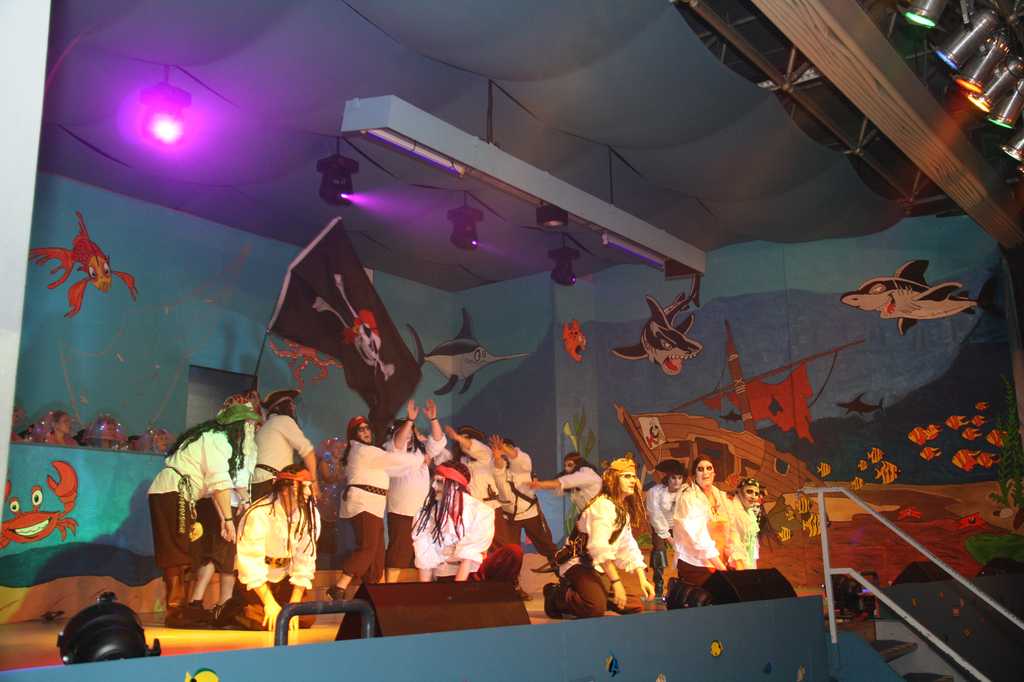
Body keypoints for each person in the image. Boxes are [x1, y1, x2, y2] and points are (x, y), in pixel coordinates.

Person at [146, 403, 260, 627]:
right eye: (247, 424)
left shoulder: (210, 437)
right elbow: (220, 483)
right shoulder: (217, 439)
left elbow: (215, 488)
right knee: (178, 551)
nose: (251, 428)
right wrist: (228, 520)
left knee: (178, 550)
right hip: (176, 491)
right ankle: (177, 611)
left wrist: (224, 518)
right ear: (237, 425)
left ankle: (179, 609)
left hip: (171, 491)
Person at [329, 409, 431, 600]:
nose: (366, 432)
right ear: (354, 435)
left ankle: (374, 593)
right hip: (364, 504)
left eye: (367, 428)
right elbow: (395, 459)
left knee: (376, 554)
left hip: (372, 506)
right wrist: (419, 459)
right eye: (360, 430)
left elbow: (394, 469)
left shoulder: (369, 453)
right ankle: (339, 586)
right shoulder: (364, 451)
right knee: (368, 548)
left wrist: (416, 462)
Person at [543, 458, 655, 619]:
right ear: (614, 479)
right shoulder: (602, 506)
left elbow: (628, 545)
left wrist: (642, 578)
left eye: (633, 476)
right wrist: (616, 583)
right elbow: (599, 548)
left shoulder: (621, 510)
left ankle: (600, 596)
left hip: (598, 566)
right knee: (594, 608)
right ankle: (556, 595)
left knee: (634, 606)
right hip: (579, 563)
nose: (632, 480)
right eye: (626, 476)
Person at [216, 464, 320, 631]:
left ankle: (278, 608)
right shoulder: (259, 514)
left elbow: (305, 559)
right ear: (284, 490)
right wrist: (269, 602)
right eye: (302, 487)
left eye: (309, 486)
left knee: (306, 618)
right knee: (263, 622)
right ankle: (236, 609)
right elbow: (250, 563)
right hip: (259, 579)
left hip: (284, 577)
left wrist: (294, 605)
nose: (308, 492)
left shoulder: (310, 515)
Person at [412, 461, 522, 582]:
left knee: (513, 552)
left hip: (472, 571)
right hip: (444, 574)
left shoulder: (482, 512)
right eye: (434, 481)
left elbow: (468, 557)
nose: (433, 486)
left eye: (439, 481)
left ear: (455, 485)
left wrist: (459, 590)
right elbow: (425, 557)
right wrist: (425, 590)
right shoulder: (426, 514)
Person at [384, 399, 448, 583]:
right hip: (402, 510)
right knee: (399, 551)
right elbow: (399, 442)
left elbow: (438, 442)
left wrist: (433, 419)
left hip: (422, 512)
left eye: (412, 432)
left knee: (422, 552)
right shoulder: (392, 450)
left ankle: (417, 590)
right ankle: (389, 590)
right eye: (406, 432)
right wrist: (410, 421)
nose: (409, 435)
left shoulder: (421, 452)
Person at [490, 435, 559, 578]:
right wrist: (497, 457)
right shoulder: (497, 466)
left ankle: (563, 575)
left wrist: (504, 448)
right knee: (510, 552)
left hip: (530, 514)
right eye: (499, 449)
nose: (503, 452)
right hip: (509, 517)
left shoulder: (523, 464)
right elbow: (498, 469)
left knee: (548, 547)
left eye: (506, 449)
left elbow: (517, 458)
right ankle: (512, 583)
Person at [670, 455, 741, 591]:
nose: (705, 472)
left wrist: (731, 554)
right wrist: (721, 569)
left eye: (709, 468)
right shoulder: (688, 498)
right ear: (694, 475)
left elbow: (731, 528)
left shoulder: (720, 496)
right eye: (700, 469)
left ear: (714, 473)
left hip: (719, 561)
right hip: (697, 565)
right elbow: (699, 538)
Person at [251, 389, 316, 501]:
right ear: (279, 407)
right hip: (272, 482)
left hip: (256, 484)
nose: (293, 408)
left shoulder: (266, 426)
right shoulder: (284, 420)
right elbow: (308, 451)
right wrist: (314, 482)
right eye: (289, 404)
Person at [644, 459, 686, 600]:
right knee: (659, 552)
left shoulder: (686, 491)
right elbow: (656, 515)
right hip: (660, 525)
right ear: (668, 478)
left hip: (678, 526)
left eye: (679, 478)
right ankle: (659, 587)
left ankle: (684, 583)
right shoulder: (655, 492)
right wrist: (669, 539)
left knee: (684, 552)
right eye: (673, 477)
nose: (677, 481)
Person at [529, 452, 602, 515]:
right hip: (590, 516)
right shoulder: (576, 479)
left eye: (570, 465)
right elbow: (556, 487)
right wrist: (539, 484)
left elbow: (560, 483)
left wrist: (539, 484)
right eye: (565, 466)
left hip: (599, 516)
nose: (566, 468)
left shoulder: (586, 474)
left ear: (578, 464)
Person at [728, 477, 766, 570]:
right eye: (749, 491)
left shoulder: (750, 513)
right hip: (735, 562)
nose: (753, 496)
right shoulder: (732, 510)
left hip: (747, 560)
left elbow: (751, 545)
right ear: (739, 492)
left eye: (756, 494)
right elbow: (733, 543)